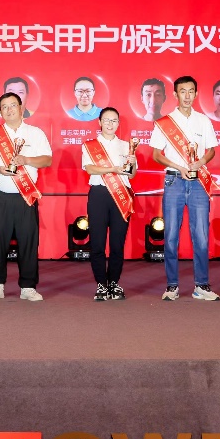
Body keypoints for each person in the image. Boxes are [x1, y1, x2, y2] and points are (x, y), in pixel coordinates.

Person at [0, 92, 52, 301]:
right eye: (4, 107)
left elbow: (47, 160)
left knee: (28, 241)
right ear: (0, 111)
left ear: (21, 108)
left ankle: (28, 286)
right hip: (0, 196)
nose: (9, 110)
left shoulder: (35, 133)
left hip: (26, 195)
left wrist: (27, 160)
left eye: (12, 105)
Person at [150, 76, 219, 301]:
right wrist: (178, 166)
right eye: (183, 91)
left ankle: (202, 285)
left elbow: (211, 150)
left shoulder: (203, 120)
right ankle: (172, 286)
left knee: (201, 235)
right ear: (175, 94)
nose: (187, 96)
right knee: (171, 235)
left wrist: (201, 162)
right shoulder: (165, 122)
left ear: (196, 94)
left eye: (191, 91)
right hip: (174, 181)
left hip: (198, 182)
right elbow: (156, 154)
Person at [82, 107, 137, 300]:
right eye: (106, 120)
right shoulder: (90, 145)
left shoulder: (126, 146)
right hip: (99, 194)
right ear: (99, 122)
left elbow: (131, 174)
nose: (110, 124)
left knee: (117, 244)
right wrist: (113, 169)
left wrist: (132, 162)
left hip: (121, 195)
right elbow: (90, 169)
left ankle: (114, 283)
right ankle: (101, 284)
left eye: (114, 120)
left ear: (118, 123)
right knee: (97, 243)